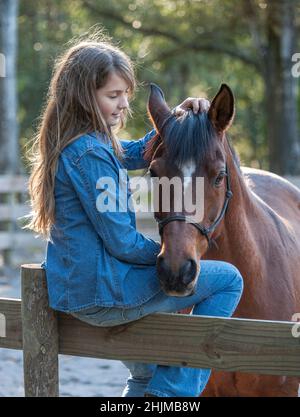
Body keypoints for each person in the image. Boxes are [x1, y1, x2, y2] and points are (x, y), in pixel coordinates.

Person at [25, 34, 243, 397]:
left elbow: (140, 152)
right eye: (113, 96)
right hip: (104, 292)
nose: (124, 104)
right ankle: (170, 395)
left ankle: (151, 392)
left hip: (78, 288)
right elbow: (122, 242)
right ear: (83, 97)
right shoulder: (91, 156)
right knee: (229, 280)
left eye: (126, 94)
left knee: (142, 376)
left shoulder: (85, 143)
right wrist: (166, 255)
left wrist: (176, 116)